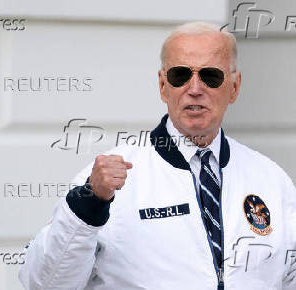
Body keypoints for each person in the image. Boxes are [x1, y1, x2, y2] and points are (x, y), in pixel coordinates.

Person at [18, 22, 296, 290]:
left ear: (234, 87)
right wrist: (89, 203)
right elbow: (44, 283)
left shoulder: (270, 179)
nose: (195, 88)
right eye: (180, 75)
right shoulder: (107, 181)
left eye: (211, 76)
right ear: (163, 86)